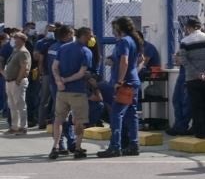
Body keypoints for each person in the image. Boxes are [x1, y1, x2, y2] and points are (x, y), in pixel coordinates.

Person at [101, 17, 144, 157]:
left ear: (119, 28)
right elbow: (139, 59)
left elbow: (124, 61)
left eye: (114, 27)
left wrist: (119, 81)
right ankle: (133, 144)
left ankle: (115, 146)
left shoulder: (124, 41)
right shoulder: (134, 40)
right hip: (133, 80)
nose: (113, 30)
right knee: (132, 115)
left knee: (116, 114)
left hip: (125, 83)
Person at [50, 27, 93, 160]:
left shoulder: (63, 48)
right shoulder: (86, 52)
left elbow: (54, 67)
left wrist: (59, 81)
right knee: (79, 121)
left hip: (62, 92)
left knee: (58, 120)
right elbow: (81, 73)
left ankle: (56, 146)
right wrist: (66, 80)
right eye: (90, 36)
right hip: (78, 91)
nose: (92, 38)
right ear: (84, 36)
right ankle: (78, 148)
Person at [174, 17, 205, 140]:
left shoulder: (185, 41)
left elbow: (184, 60)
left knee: (196, 105)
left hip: (192, 78)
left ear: (189, 27)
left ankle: (199, 133)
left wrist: (197, 73)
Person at [4, 32, 31, 135]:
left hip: (17, 81)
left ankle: (23, 127)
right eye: (14, 38)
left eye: (17, 39)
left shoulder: (23, 52)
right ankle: (14, 126)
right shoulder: (15, 51)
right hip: (10, 81)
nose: (14, 40)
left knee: (20, 105)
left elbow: (24, 67)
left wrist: (18, 80)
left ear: (23, 40)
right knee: (12, 105)